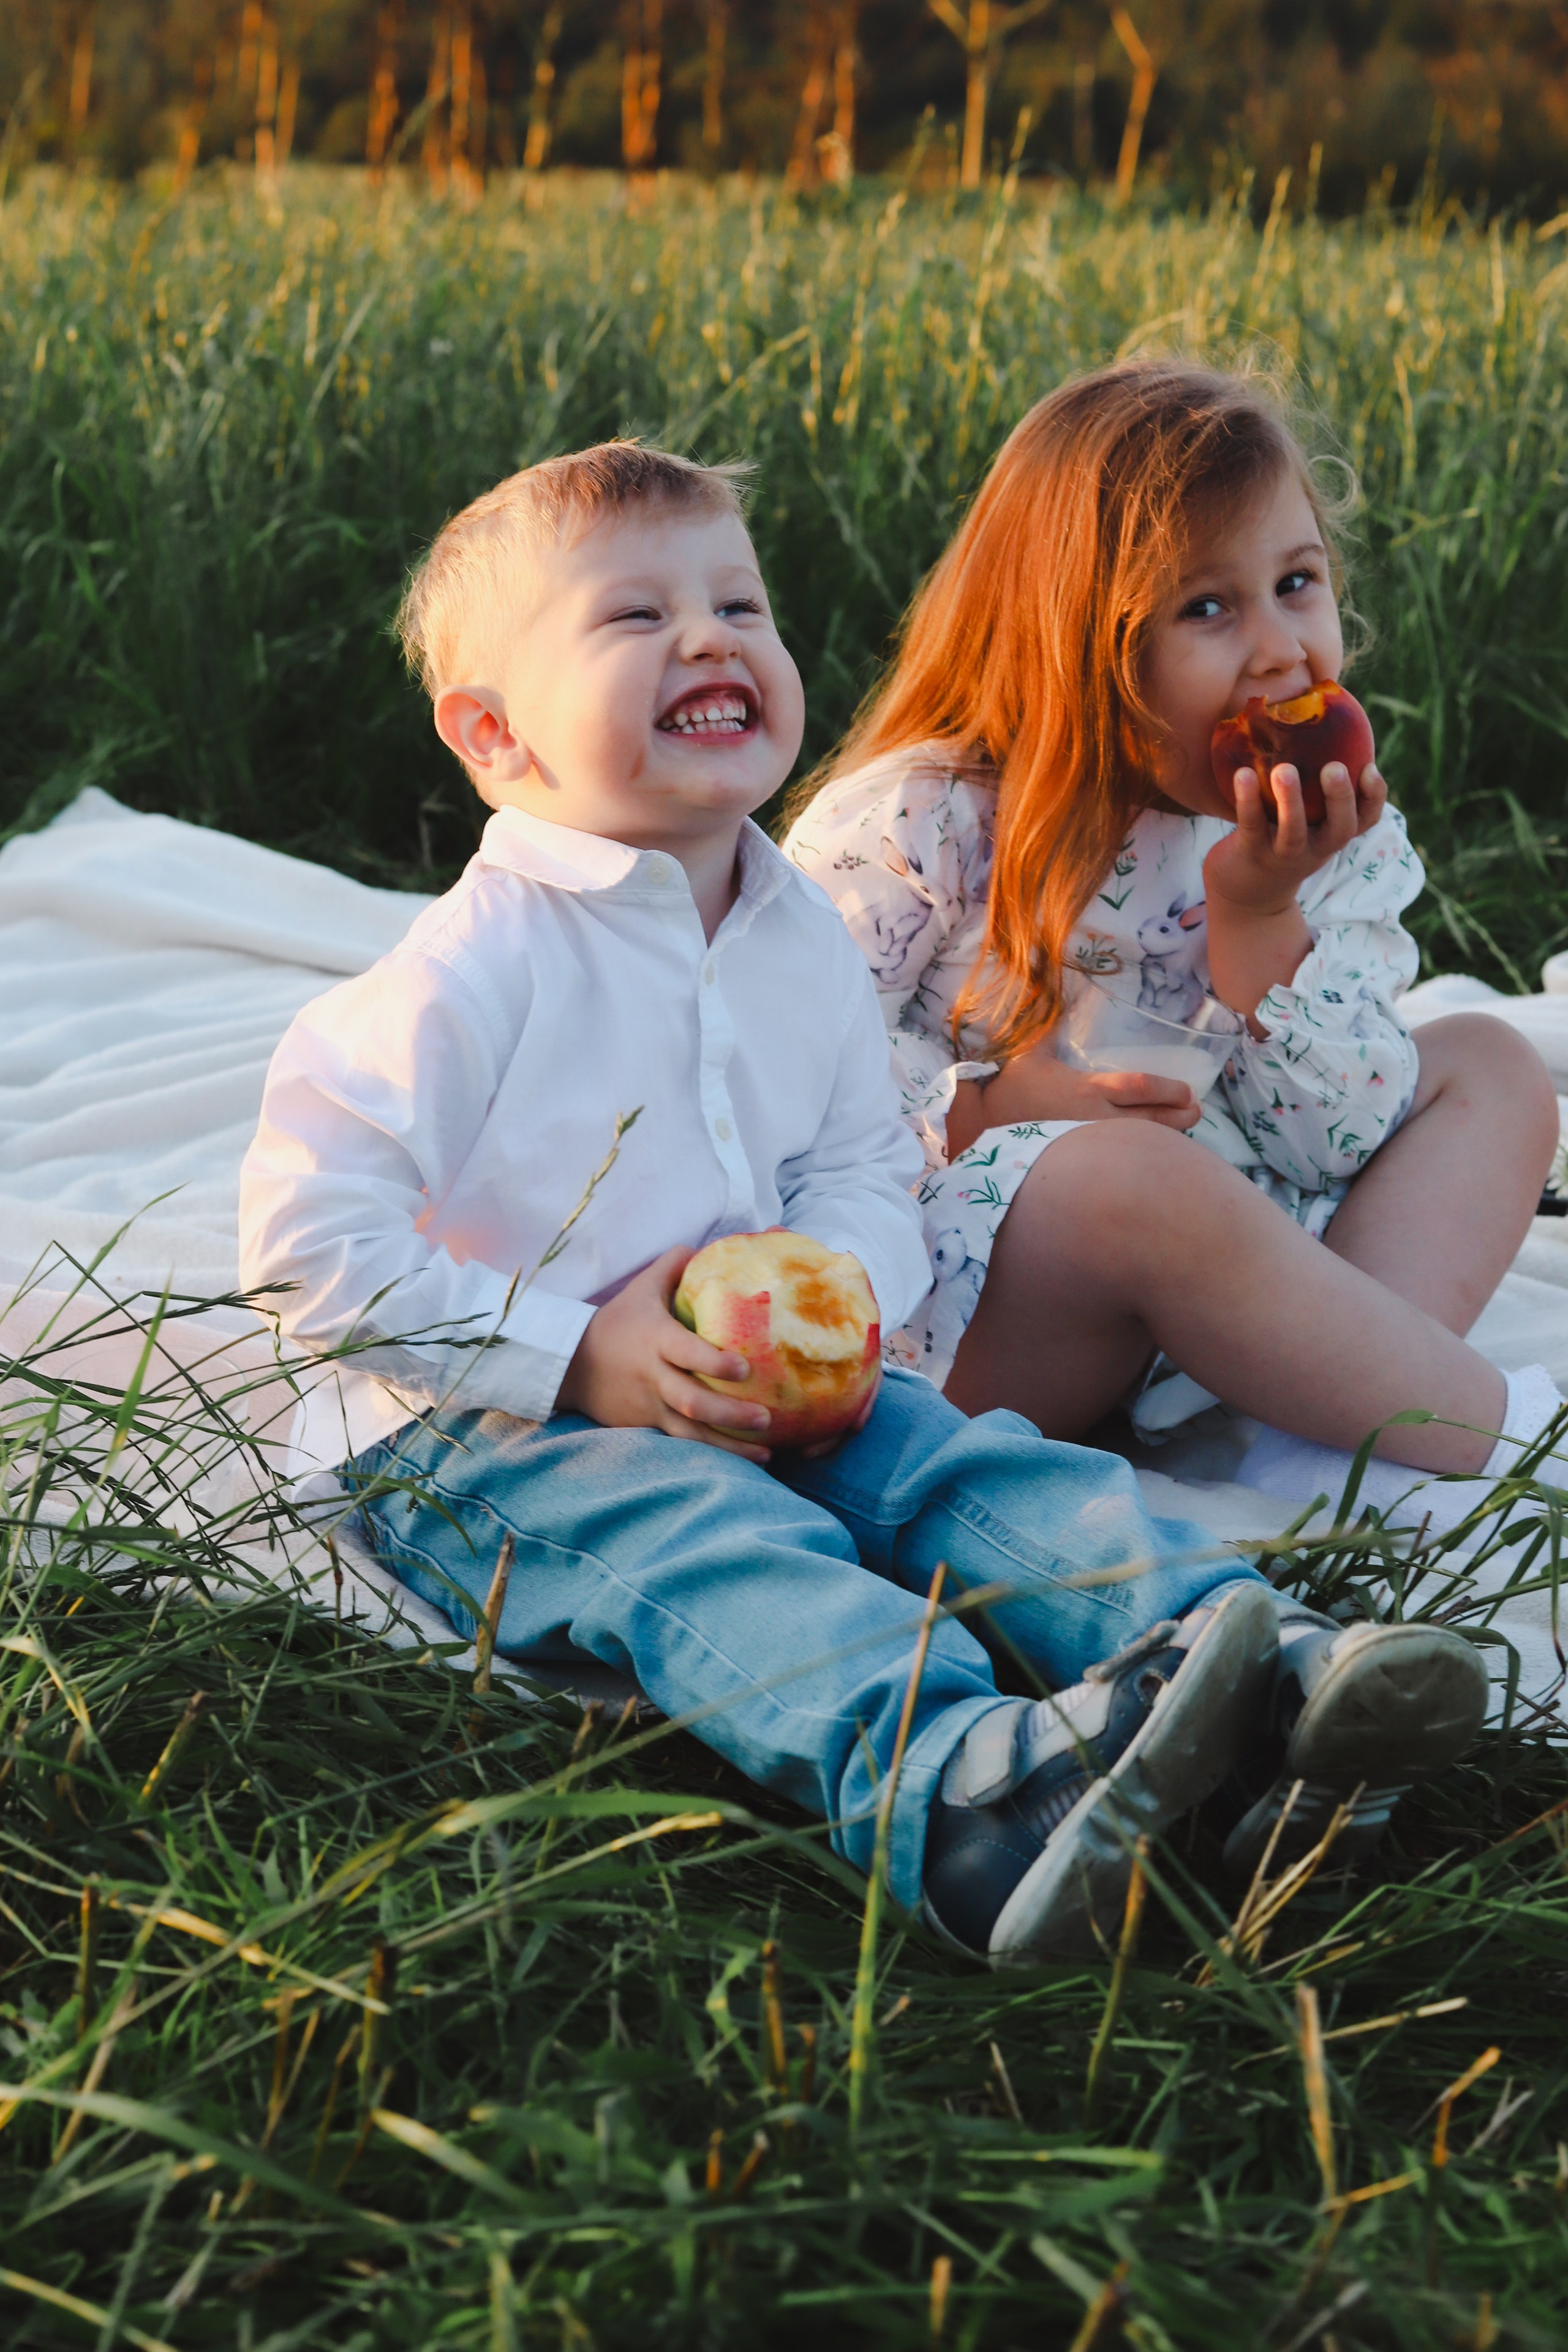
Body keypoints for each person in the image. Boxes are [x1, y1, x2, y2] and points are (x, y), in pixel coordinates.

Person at [238, 441, 1482, 1948]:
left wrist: (850, 1300)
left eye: (739, 606)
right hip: (494, 1432)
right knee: (715, 1546)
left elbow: (857, 1164)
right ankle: (960, 1796)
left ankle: (1260, 1677)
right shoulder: (468, 973)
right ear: (494, 735)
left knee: (976, 1473)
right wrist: (575, 1355)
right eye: (634, 619)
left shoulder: (791, 937)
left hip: (757, 1368)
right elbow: (307, 1246)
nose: (707, 638)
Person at [785, 358, 1562, 1526]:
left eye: (1297, 582)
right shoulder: (928, 821)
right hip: (996, 1310)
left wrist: (1261, 916)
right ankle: (1493, 1430)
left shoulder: (1330, 837)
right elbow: (776, 1065)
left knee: (1493, 1065)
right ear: (1069, 639)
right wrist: (984, 1107)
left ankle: (1325, 1434)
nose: (1280, 651)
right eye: (1208, 607)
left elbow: (1331, 1140)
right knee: (1133, 1180)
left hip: (1250, 1269)